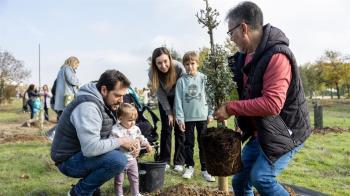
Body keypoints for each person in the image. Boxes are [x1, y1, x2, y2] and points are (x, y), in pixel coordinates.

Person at [213, 2, 311, 195]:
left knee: (262, 177)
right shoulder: (246, 56)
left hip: (285, 130)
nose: (231, 39)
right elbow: (249, 94)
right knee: (240, 180)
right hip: (263, 131)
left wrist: (231, 108)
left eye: (230, 33)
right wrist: (243, 121)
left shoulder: (277, 56)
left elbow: (272, 104)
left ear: (243, 28)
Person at [51, 70, 140, 196]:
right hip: (68, 160)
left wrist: (133, 142)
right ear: (104, 90)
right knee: (118, 160)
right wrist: (122, 141)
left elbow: (116, 130)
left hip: (81, 154)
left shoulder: (105, 102)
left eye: (123, 96)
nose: (121, 100)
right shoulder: (88, 107)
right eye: (117, 95)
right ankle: (78, 193)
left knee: (118, 156)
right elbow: (90, 149)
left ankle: (91, 190)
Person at [174, 51, 215, 182]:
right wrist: (180, 119)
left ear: (197, 64)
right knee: (188, 144)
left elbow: (210, 97)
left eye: (192, 63)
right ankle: (190, 166)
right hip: (188, 119)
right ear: (184, 66)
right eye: (187, 64)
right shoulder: (181, 82)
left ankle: (205, 169)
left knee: (203, 143)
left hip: (202, 117)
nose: (190, 66)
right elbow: (178, 101)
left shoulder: (204, 79)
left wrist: (210, 113)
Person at [148, 47, 186, 172]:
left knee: (180, 128)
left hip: (180, 97)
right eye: (159, 63)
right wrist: (169, 112)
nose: (163, 66)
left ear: (170, 58)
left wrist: (176, 112)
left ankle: (179, 161)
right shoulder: (152, 72)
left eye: (165, 61)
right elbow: (160, 93)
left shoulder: (179, 67)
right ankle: (164, 160)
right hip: (164, 99)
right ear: (154, 64)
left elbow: (182, 91)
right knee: (166, 128)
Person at [112, 103, 152, 196]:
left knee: (134, 178)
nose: (133, 122)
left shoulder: (135, 128)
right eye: (130, 120)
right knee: (119, 180)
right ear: (120, 118)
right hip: (120, 160)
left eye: (134, 120)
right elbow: (112, 143)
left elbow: (140, 137)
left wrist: (147, 144)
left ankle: (136, 193)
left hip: (132, 159)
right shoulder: (115, 130)